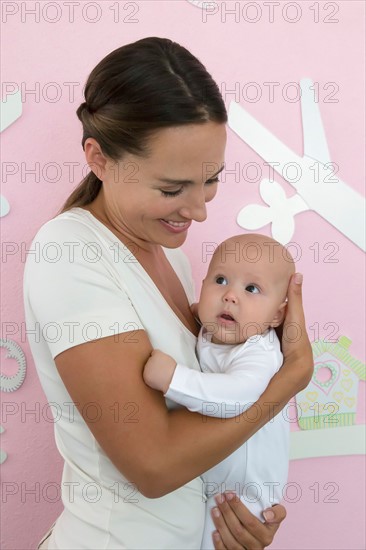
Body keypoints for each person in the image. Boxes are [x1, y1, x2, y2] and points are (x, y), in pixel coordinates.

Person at [23, 37, 313, 550]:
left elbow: (197, 428)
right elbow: (153, 467)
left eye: (211, 181)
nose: (198, 211)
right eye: (171, 188)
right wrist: (286, 382)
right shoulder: (70, 253)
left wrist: (240, 510)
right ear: (99, 158)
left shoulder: (174, 259)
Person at [143, 233, 295, 549]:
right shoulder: (219, 330)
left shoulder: (259, 353)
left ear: (277, 316)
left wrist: (174, 379)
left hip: (243, 500)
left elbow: (236, 396)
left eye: (252, 289)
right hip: (212, 483)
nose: (230, 296)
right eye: (221, 280)